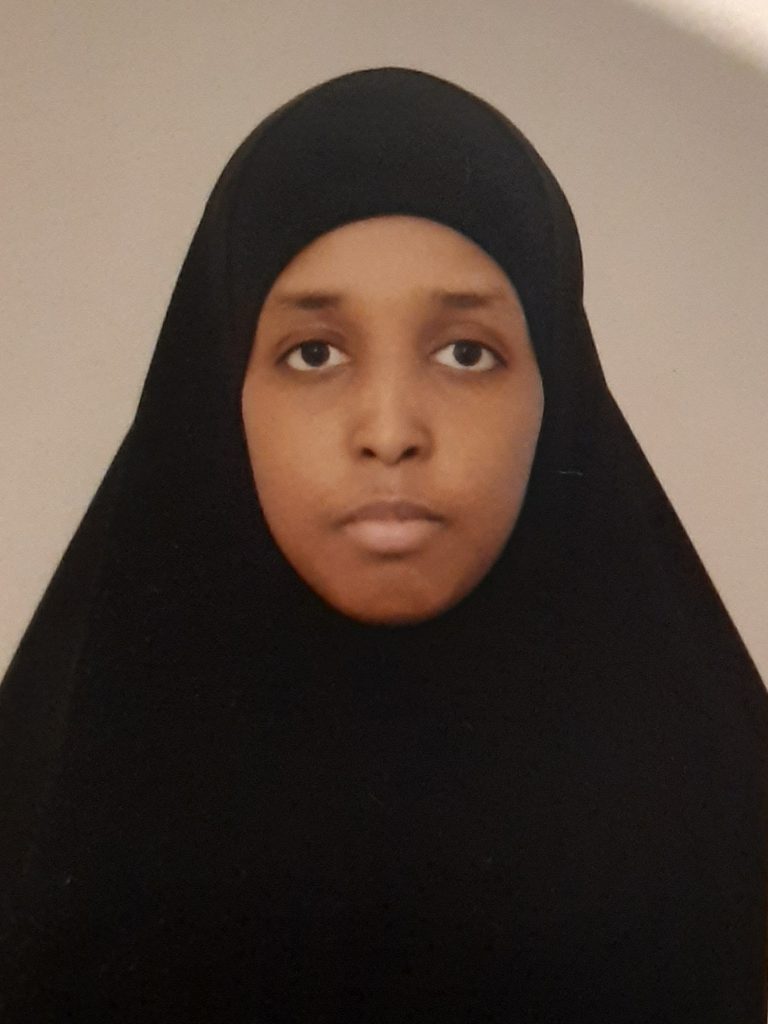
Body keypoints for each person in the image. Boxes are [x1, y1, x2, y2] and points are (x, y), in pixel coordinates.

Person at [0, 66, 765, 1023]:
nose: (391, 430)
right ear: (222, 389)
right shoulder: (45, 827)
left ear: (557, 391)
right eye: (314, 353)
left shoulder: (727, 821)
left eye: (466, 353)